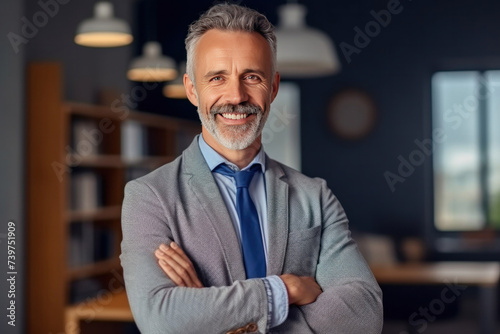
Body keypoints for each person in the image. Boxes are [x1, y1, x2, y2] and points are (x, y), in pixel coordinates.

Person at [120, 3, 383, 334]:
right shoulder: (150, 197)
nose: (236, 95)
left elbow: (364, 314)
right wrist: (284, 290)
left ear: (272, 88)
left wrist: (222, 319)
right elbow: (160, 319)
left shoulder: (314, 195)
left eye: (252, 77)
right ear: (191, 89)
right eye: (217, 77)